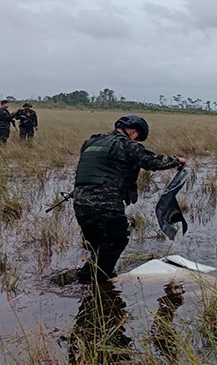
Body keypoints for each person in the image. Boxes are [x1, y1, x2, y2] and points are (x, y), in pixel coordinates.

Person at [73, 114, 187, 284]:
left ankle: (93, 283)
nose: (136, 140)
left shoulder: (91, 142)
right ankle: (89, 283)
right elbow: (150, 161)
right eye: (138, 137)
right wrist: (177, 160)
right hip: (106, 204)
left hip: (80, 204)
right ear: (133, 131)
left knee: (97, 246)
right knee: (116, 241)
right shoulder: (126, 144)